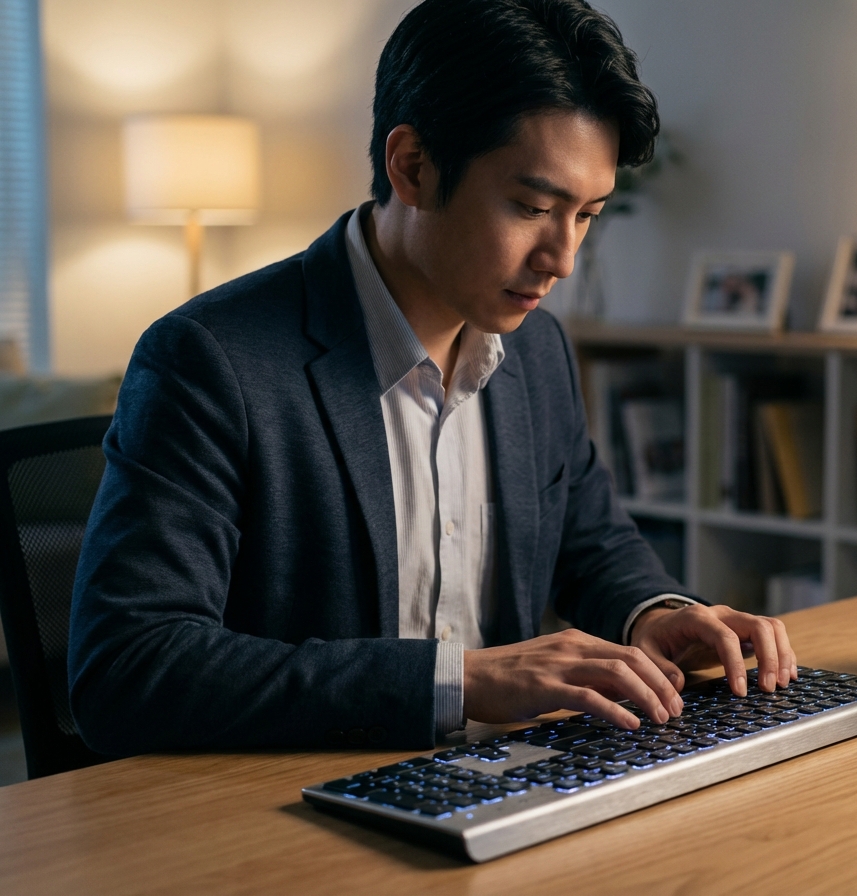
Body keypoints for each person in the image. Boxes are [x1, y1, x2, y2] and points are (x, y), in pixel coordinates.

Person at [68, 0, 796, 756]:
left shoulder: (537, 348)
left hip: (501, 788)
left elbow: (591, 542)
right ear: (412, 166)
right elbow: (127, 668)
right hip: (291, 812)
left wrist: (656, 612)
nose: (562, 258)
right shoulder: (210, 360)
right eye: (532, 206)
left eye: (586, 215)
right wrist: (460, 681)